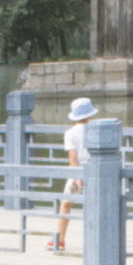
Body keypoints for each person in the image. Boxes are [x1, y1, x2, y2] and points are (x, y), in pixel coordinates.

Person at [47, 97, 98, 252]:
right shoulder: (95, 130)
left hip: (78, 172)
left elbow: (73, 158)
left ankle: (60, 239)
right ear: (89, 115)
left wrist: (77, 177)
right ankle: (99, 240)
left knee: (66, 204)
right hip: (96, 171)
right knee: (97, 205)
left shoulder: (70, 133)